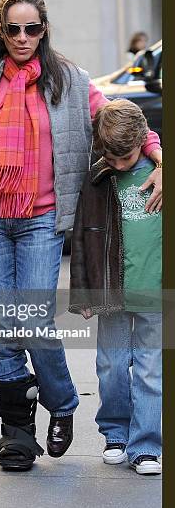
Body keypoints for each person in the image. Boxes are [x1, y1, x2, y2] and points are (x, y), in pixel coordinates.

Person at [0, 0, 162, 471]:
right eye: (13, 28)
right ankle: (17, 432)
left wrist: (158, 156)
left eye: (31, 28)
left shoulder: (72, 82)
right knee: (1, 326)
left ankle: (61, 401)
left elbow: (127, 124)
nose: (22, 36)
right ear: (0, 31)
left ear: (44, 29)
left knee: (32, 322)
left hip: (41, 219)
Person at [70, 99, 162, 475]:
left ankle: (146, 445)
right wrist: (83, 292)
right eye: (112, 156)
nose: (120, 165)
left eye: (126, 158)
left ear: (143, 141)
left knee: (151, 370)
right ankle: (115, 434)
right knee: (110, 367)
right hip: (111, 292)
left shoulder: (160, 173)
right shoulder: (97, 179)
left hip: (156, 292)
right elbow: (82, 239)